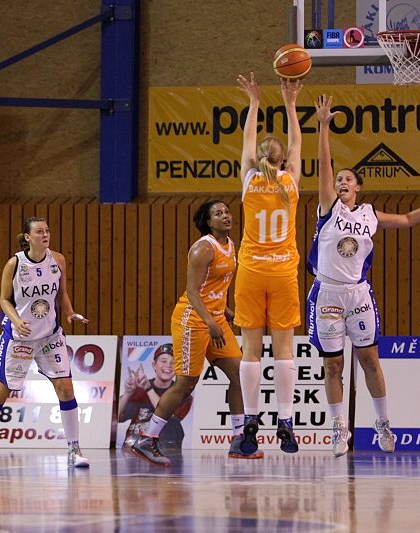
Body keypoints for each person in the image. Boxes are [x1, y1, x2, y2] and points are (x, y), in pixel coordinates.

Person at [310, 95, 420, 457]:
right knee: (333, 365)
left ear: (358, 187)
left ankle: (382, 423)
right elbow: (323, 167)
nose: (342, 182)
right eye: (339, 179)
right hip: (327, 293)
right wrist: (323, 127)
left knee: (370, 359)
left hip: (358, 294)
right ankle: (338, 428)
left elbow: (407, 220)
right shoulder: (329, 207)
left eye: (348, 179)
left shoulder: (369, 214)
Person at [132, 200, 261, 465]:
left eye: (227, 211)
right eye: (218, 214)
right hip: (192, 319)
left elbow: (213, 288)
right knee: (186, 383)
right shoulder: (203, 249)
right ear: (208, 222)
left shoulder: (230, 245)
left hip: (215, 317)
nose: (225, 216)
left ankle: (239, 440)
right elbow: (192, 292)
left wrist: (225, 311)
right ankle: (147, 438)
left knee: (240, 375)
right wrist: (209, 321)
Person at [0, 217, 90, 468]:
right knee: (0, 391)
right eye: (39, 232)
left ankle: (74, 449)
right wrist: (16, 320)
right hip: (20, 337)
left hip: (49, 336)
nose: (45, 235)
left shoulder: (58, 260)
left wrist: (69, 312)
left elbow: (62, 293)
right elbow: (4, 300)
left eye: (47, 231)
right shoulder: (14, 264)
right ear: (27, 237)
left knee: (66, 388)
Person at [234, 73, 303, 455]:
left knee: (251, 351)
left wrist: (254, 102)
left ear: (259, 158)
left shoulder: (248, 179)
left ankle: (250, 419)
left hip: (251, 271)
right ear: (282, 160)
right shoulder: (290, 182)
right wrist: (290, 104)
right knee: (284, 351)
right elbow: (297, 144)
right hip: (282, 272)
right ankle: (286, 420)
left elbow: (247, 142)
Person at [118, 343, 193, 450]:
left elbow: (170, 419)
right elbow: (116, 417)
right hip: (133, 448)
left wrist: (148, 389)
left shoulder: (183, 394)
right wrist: (128, 393)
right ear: (154, 365)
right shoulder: (138, 388)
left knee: (173, 424)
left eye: (173, 362)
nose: (168, 365)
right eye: (163, 361)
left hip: (162, 450)